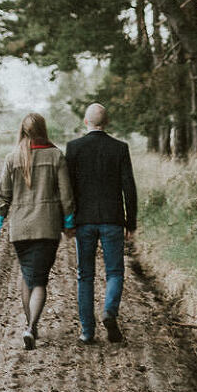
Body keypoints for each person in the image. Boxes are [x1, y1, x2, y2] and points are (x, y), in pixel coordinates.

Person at [0, 112, 75, 350]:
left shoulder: (12, 158)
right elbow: (66, 195)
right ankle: (31, 327)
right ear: (43, 129)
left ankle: (30, 326)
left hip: (20, 229)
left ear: (22, 131)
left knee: (29, 277)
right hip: (47, 227)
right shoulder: (56, 155)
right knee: (39, 281)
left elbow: (2, 198)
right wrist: (68, 225)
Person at [65, 102, 137, 345]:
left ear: (86, 122)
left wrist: (68, 220)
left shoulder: (74, 148)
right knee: (115, 271)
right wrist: (131, 222)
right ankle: (109, 311)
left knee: (85, 275)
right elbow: (129, 187)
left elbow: (68, 189)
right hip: (112, 219)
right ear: (107, 123)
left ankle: (87, 331)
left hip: (83, 220)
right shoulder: (120, 148)